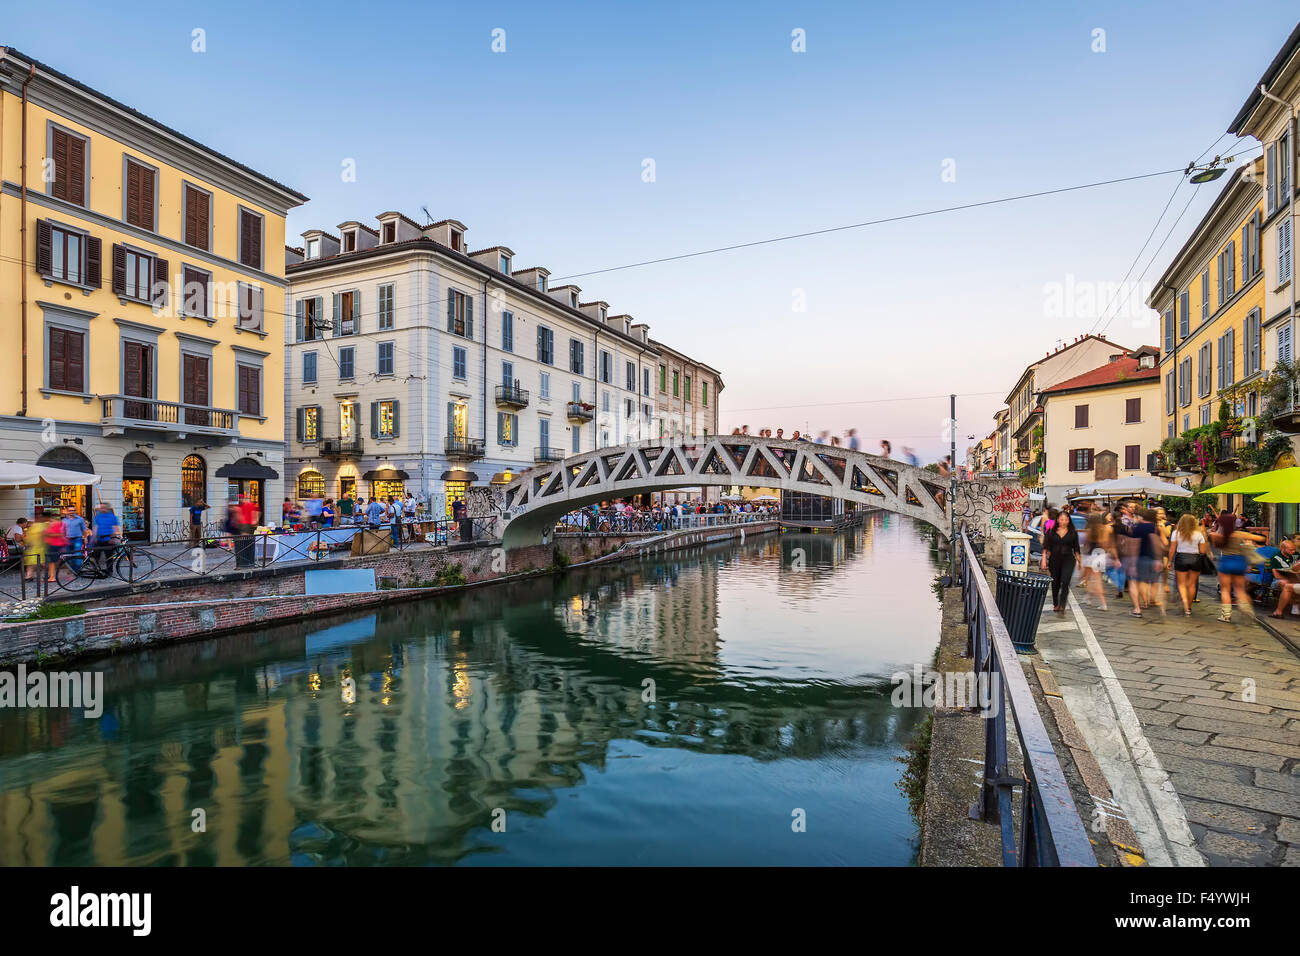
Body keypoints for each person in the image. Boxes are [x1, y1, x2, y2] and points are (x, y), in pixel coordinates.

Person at [1212, 510, 1264, 623]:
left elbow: (1213, 540)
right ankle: (1247, 610)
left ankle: (1226, 616)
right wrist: (1248, 540)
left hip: (1226, 562)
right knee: (1240, 590)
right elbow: (1261, 539)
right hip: (1240, 562)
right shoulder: (1240, 534)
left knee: (1225, 590)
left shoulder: (1217, 535)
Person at [1117, 508, 1164, 618]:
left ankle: (1140, 606)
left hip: (1137, 557)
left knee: (1137, 582)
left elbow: (1130, 542)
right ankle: (1153, 600)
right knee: (1154, 580)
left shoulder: (1136, 527)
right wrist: (1158, 558)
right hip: (1152, 558)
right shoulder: (1156, 528)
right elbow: (1159, 543)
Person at [1040, 507, 1080, 613]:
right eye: (1061, 519)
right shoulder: (1051, 532)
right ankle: (1056, 604)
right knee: (1055, 582)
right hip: (1054, 560)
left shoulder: (1073, 533)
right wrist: (1044, 560)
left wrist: (1081, 562)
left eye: (1066, 520)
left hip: (1068, 560)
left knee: (1065, 581)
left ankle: (1062, 604)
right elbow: (1045, 547)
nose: (1063, 522)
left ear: (1069, 521)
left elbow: (1076, 549)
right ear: (1057, 520)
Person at [1168, 513, 1207, 616]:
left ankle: (1185, 604)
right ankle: (1188, 608)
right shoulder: (1199, 534)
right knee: (1192, 584)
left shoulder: (1176, 533)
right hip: (1195, 559)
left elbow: (1172, 549)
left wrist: (1169, 561)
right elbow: (1203, 551)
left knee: (1181, 584)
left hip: (1181, 558)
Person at [1267, 538, 1299, 619]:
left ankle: (1295, 605)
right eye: (1291, 550)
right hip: (1278, 580)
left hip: (1294, 578)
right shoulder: (1276, 557)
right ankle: (1295, 604)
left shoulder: (1296, 555)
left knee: (1293, 582)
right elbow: (1276, 575)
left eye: (1294, 550)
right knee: (1285, 583)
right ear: (1282, 549)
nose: (1293, 552)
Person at [91, 503, 122, 574]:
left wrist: (114, 538)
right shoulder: (98, 516)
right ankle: (97, 570)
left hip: (108, 539)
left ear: (108, 509)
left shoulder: (113, 517)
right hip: (99, 539)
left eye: (103, 508)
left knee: (109, 557)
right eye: (101, 508)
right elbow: (96, 527)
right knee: (96, 556)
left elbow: (115, 528)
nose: (102, 509)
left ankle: (109, 571)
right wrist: (93, 537)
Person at [62, 505, 88, 572]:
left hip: (77, 539)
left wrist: (85, 538)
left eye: (73, 510)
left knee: (77, 555)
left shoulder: (80, 519)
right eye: (70, 510)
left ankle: (77, 570)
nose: (72, 512)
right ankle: (72, 569)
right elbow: (62, 531)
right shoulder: (64, 520)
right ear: (67, 511)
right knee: (68, 556)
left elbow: (84, 530)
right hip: (67, 540)